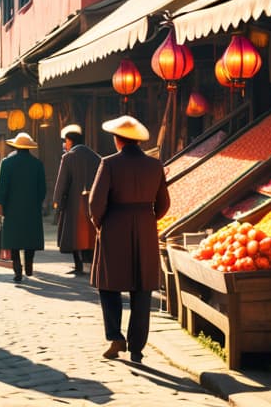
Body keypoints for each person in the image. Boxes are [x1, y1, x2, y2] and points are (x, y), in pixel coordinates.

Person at [89, 116, 170, 363]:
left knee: (108, 284)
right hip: (145, 226)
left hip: (114, 225)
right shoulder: (155, 165)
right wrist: (148, 218)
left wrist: (100, 223)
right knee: (141, 288)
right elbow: (164, 203)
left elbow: (95, 203)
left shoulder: (109, 163)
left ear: (118, 139)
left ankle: (116, 337)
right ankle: (137, 348)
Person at [0, 132, 47, 282]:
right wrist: (37, 202)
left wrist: (0, 204)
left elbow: (2, 187)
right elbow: (42, 189)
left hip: (12, 207)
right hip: (31, 207)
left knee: (14, 239)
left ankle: (17, 271)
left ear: (16, 146)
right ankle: (29, 266)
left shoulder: (6, 163)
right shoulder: (37, 164)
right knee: (30, 237)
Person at [54, 124, 101, 275]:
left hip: (74, 203)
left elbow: (62, 182)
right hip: (93, 203)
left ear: (70, 141)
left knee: (74, 234)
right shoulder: (96, 157)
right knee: (91, 235)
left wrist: (58, 201)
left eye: (66, 141)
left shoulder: (68, 157)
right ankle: (94, 265)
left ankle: (78, 265)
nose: (65, 144)